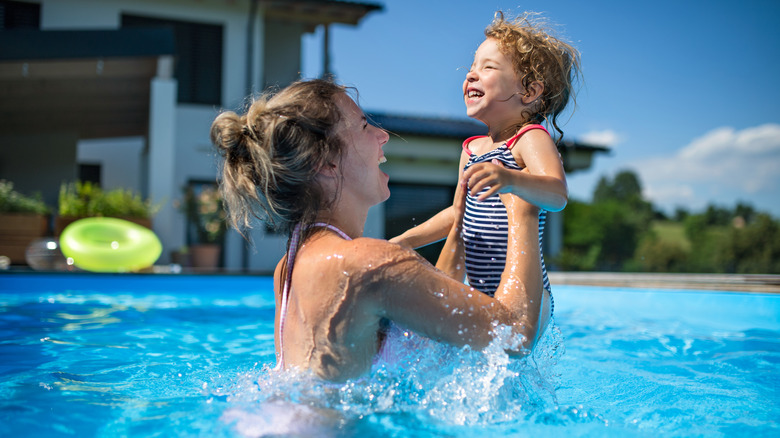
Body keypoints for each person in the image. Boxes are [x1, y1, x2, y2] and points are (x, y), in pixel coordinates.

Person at [211, 79, 549, 382]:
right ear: (327, 164)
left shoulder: (290, 265)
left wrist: (461, 225)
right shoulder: (368, 263)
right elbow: (514, 334)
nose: (382, 134)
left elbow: (435, 318)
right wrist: (524, 211)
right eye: (362, 126)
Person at [391, 11, 581, 310]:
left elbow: (557, 194)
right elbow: (458, 213)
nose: (470, 75)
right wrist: (405, 240)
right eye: (472, 67)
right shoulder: (471, 149)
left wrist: (511, 179)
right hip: (481, 292)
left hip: (530, 297)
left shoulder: (529, 137)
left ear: (529, 91)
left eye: (488, 67)